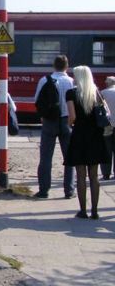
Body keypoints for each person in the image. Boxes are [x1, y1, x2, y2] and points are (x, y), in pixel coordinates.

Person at [65, 66, 109, 219]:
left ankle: (83, 210)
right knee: (94, 176)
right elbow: (104, 113)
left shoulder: (71, 93)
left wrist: (68, 125)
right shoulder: (96, 93)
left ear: (78, 77)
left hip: (79, 136)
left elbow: (72, 117)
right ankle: (95, 211)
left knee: (81, 175)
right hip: (95, 136)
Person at [34, 55, 76, 199]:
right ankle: (69, 190)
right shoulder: (72, 82)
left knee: (45, 158)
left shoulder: (44, 80)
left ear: (54, 66)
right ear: (67, 66)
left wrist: (43, 116)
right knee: (70, 158)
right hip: (67, 121)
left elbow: (37, 101)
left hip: (49, 121)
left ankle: (44, 190)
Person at [100, 76, 115, 180]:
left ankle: (106, 173)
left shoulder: (103, 93)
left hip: (107, 124)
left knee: (106, 149)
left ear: (108, 82)